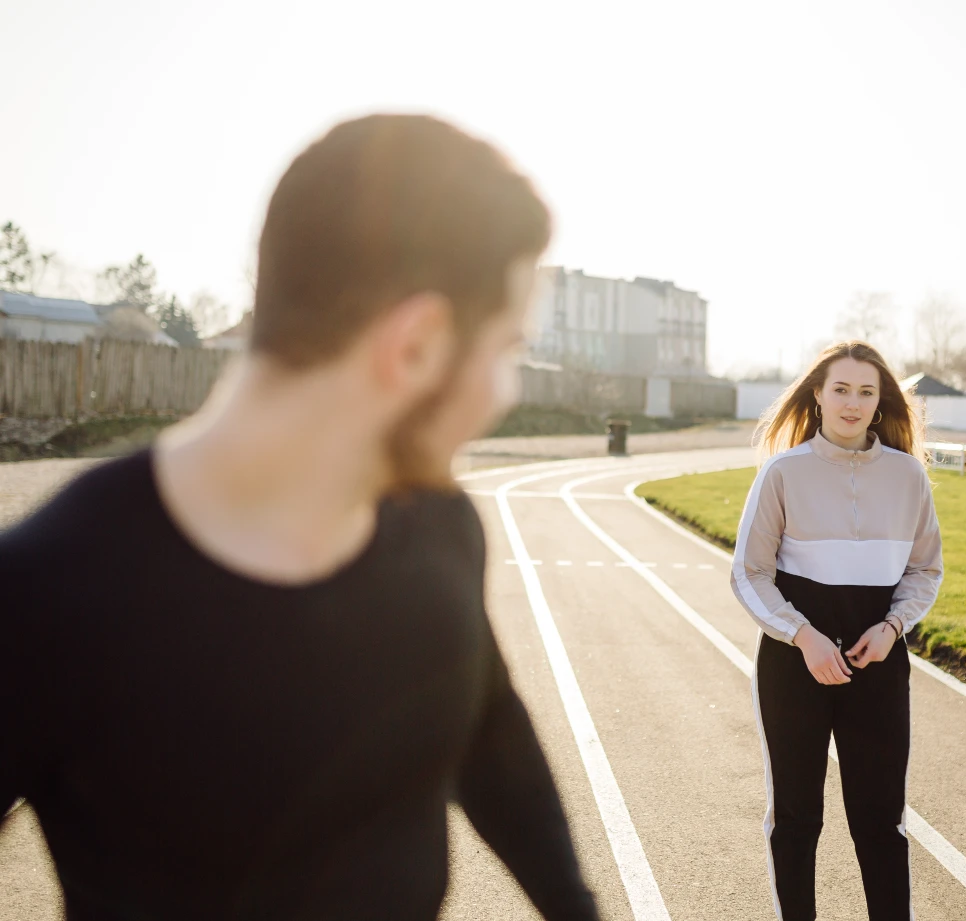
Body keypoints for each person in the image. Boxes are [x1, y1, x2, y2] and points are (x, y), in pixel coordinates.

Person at [0, 115, 599, 921]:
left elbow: (488, 727)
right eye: (506, 348)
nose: (506, 390)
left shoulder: (438, 526)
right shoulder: (47, 590)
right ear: (416, 344)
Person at [729, 340, 944, 921]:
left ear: (880, 404)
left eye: (866, 392)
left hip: (878, 661)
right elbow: (749, 574)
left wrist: (893, 627)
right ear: (818, 396)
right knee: (797, 816)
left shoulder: (908, 478)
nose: (853, 402)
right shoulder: (783, 472)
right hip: (794, 663)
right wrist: (803, 636)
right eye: (841, 389)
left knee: (881, 818)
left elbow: (925, 569)